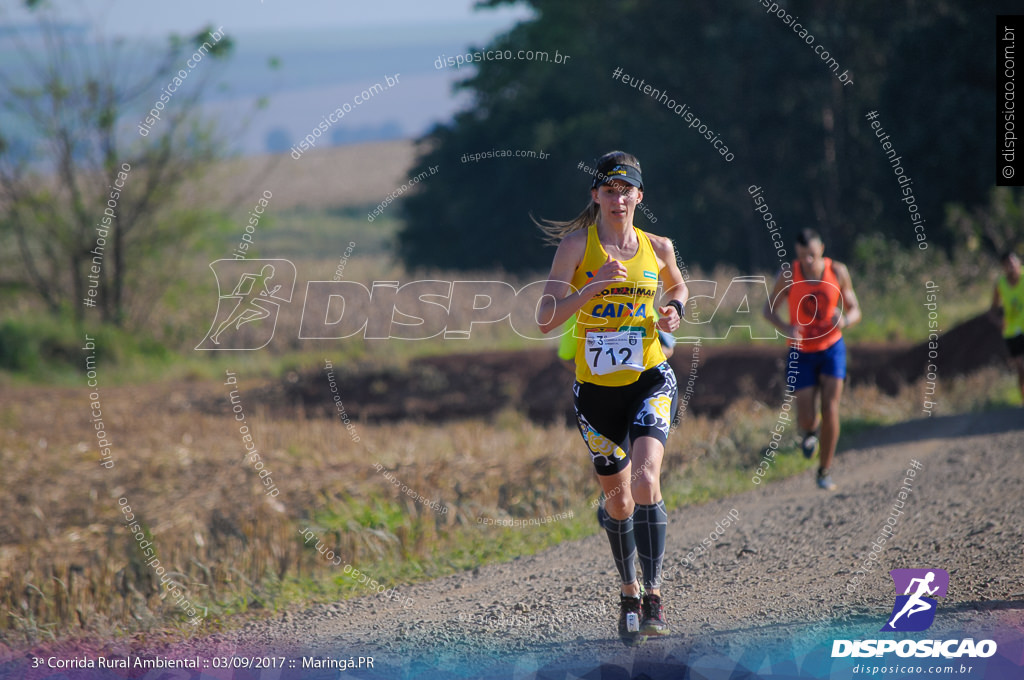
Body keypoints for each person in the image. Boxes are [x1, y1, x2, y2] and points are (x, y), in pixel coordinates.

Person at [536, 151, 686, 646]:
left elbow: (677, 285)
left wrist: (674, 312)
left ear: (639, 196)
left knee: (646, 480)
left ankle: (656, 595)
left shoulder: (658, 245)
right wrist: (593, 287)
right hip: (596, 395)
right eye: (609, 190)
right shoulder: (577, 246)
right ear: (596, 196)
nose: (618, 199)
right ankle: (629, 590)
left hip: (649, 379)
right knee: (617, 501)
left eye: (627, 191)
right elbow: (545, 317)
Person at [763, 229, 861, 491]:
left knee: (830, 407)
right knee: (806, 416)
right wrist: (787, 328)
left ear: (822, 250)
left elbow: (855, 309)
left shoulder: (837, 272)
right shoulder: (787, 276)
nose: (808, 260)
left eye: (813, 255)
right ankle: (808, 433)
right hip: (801, 352)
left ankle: (824, 470)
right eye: (804, 256)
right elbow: (768, 309)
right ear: (797, 254)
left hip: (832, 348)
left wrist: (845, 320)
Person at [989, 250, 1024, 402]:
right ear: (1003, 267)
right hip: (1011, 332)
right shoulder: (1000, 284)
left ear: (1019, 263)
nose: (1011, 266)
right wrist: (998, 322)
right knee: (1021, 369)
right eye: (1007, 264)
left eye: (1013, 262)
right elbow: (992, 310)